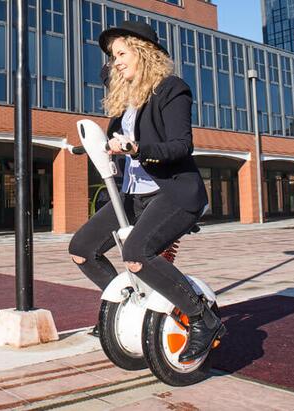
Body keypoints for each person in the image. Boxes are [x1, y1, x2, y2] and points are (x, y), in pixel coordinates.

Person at [68, 20, 225, 362]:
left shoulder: (172, 89)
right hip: (132, 195)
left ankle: (203, 318)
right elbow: (116, 144)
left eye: (121, 53)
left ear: (142, 52)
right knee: (82, 248)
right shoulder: (124, 103)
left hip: (172, 193)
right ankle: (125, 305)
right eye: (113, 56)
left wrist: (136, 148)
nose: (116, 61)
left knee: (137, 253)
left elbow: (181, 145)